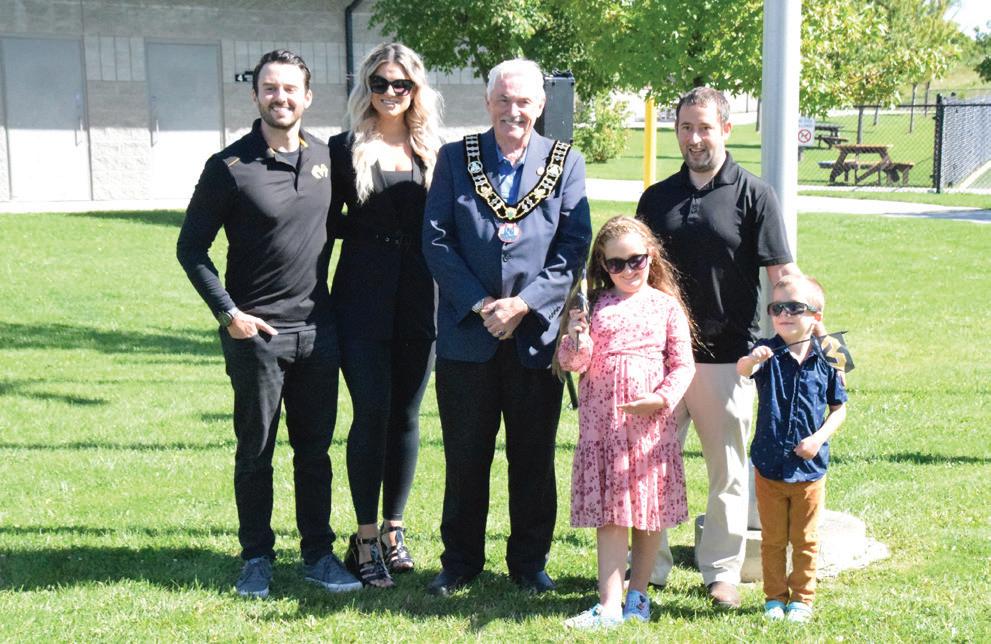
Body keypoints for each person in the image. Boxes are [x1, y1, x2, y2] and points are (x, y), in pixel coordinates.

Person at [176, 49, 361, 599]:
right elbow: (191, 248)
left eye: (290, 89)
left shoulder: (329, 158)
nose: (281, 98)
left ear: (308, 97)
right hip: (256, 337)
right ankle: (256, 557)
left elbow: (345, 224)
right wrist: (230, 314)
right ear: (256, 94)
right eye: (270, 88)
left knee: (315, 453)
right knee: (256, 452)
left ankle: (318, 555)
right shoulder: (229, 166)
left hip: (318, 333)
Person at [421, 58, 592, 596]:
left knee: (533, 458)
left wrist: (522, 304)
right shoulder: (455, 158)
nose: (512, 110)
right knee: (465, 457)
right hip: (466, 336)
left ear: (540, 106)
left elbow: (573, 247)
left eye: (523, 101)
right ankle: (460, 561)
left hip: (533, 338)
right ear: (487, 102)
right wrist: (481, 304)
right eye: (503, 99)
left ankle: (529, 562)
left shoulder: (565, 161)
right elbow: (436, 240)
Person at [636, 86, 802, 609]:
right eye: (685, 127)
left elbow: (781, 273)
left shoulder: (755, 194)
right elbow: (633, 272)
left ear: (726, 129)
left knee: (727, 471)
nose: (694, 138)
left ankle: (722, 572)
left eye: (705, 127)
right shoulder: (656, 198)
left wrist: (797, 329)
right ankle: (650, 567)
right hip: (660, 358)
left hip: (728, 358)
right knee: (649, 465)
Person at [328, 42, 443, 588]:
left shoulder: (437, 152)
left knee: (406, 416)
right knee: (371, 412)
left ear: (416, 89)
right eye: (380, 83)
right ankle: (365, 537)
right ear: (366, 88)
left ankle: (395, 529)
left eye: (402, 84)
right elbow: (322, 224)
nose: (391, 93)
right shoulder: (343, 148)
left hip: (421, 298)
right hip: (361, 297)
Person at [556, 217, 695, 630]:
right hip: (604, 429)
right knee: (611, 516)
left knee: (648, 514)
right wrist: (575, 337)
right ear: (603, 264)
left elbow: (683, 365)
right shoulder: (593, 305)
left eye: (636, 260)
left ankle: (639, 596)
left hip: (650, 431)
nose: (628, 270)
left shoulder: (666, 306)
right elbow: (573, 363)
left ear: (651, 257)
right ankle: (609, 604)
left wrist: (662, 398)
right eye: (616, 264)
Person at [736, 275, 847, 623]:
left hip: (810, 469)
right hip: (769, 464)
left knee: (805, 539)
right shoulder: (766, 350)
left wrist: (818, 439)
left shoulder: (830, 354)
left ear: (816, 316)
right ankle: (774, 598)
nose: (784, 314)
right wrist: (753, 359)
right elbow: (742, 369)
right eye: (777, 308)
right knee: (772, 539)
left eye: (794, 308)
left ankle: (802, 599)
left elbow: (839, 408)